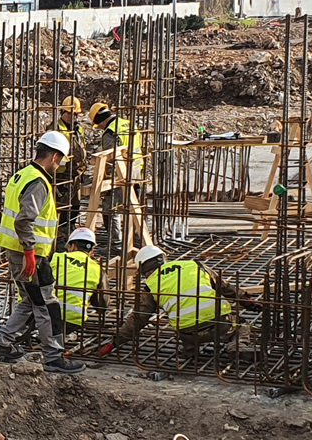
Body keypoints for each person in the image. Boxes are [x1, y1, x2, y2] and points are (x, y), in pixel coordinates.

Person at [0, 131, 85, 375]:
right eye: (60, 159)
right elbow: (24, 220)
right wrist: (31, 251)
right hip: (30, 256)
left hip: (18, 252)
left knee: (31, 301)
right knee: (47, 305)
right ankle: (53, 357)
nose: (60, 165)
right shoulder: (38, 183)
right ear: (53, 156)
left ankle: (1, 345)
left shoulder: (21, 175)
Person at [98, 245, 242, 360]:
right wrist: (249, 301)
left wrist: (115, 343)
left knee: (183, 324)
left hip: (189, 332)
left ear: (144, 270)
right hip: (220, 324)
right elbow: (225, 287)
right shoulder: (195, 265)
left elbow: (138, 318)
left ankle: (190, 351)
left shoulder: (151, 285)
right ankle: (239, 346)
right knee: (241, 324)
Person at [90, 101, 143, 255]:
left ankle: (116, 245)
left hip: (120, 175)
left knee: (109, 209)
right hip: (136, 172)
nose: (99, 128)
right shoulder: (128, 124)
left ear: (100, 120)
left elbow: (109, 159)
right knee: (133, 208)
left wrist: (103, 180)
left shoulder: (110, 132)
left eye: (97, 125)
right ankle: (137, 243)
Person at [52, 227, 107, 338]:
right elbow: (102, 304)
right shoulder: (97, 269)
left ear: (72, 246)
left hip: (46, 317)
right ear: (92, 250)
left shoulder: (56, 257)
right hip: (73, 322)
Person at [54, 96, 89, 233]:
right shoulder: (56, 129)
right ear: (62, 112)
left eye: (74, 114)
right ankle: (60, 235)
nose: (71, 116)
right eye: (68, 113)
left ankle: (69, 231)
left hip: (76, 174)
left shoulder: (78, 129)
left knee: (75, 206)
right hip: (61, 175)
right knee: (62, 206)